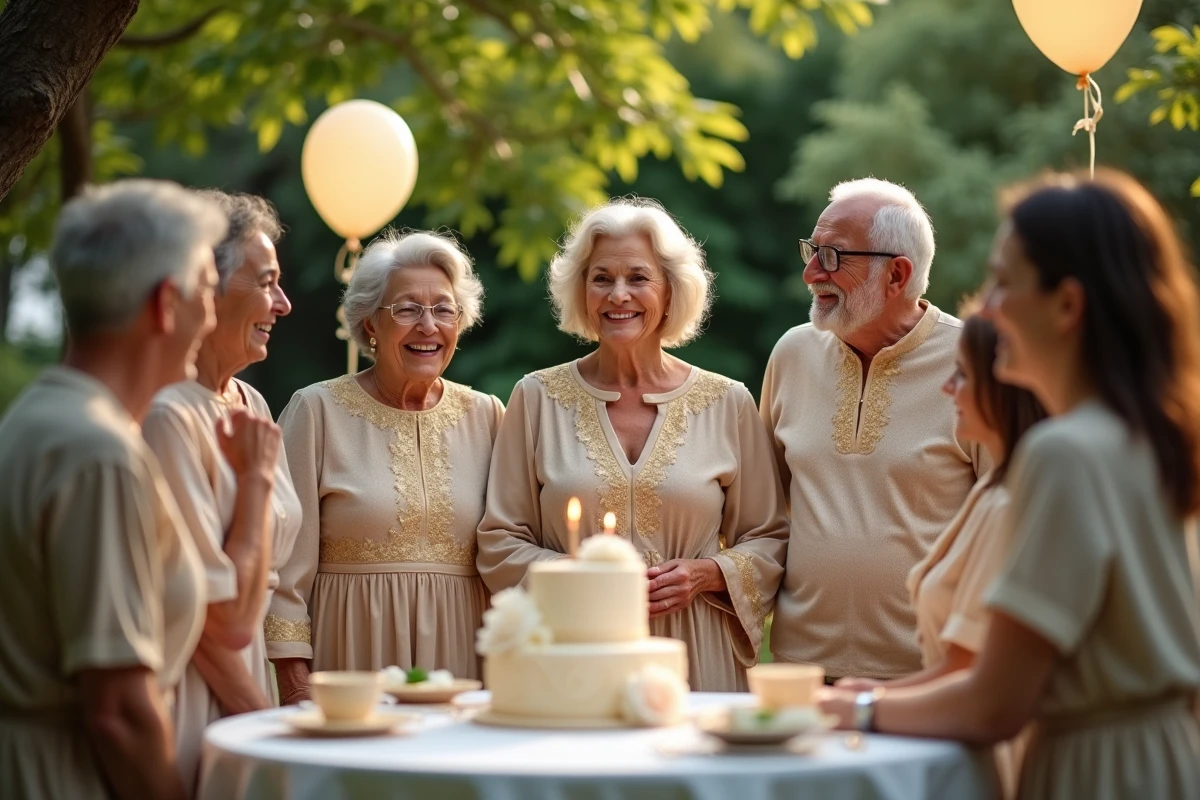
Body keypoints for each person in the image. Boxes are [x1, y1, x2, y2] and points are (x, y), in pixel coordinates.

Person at [819, 170, 1200, 800]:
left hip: (1096, 774)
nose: (986, 306)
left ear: (1068, 305)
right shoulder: (1156, 436)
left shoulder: (1063, 454)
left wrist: (845, 712)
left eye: (1002, 281)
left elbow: (992, 704)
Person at [477, 198, 789, 692]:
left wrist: (707, 574)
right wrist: (577, 578)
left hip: (695, 656)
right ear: (582, 291)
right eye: (601, 278)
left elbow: (771, 538)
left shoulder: (728, 402)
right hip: (572, 653)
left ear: (670, 291)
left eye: (638, 278)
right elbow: (498, 541)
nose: (618, 295)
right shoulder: (535, 398)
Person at [0, 180, 225, 799]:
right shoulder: (99, 454)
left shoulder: (35, 419)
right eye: (207, 291)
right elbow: (119, 714)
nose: (212, 315)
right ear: (164, 304)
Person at [762, 178, 987, 681]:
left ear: (897, 275)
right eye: (812, 251)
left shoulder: (978, 364)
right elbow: (763, 514)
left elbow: (1013, 525)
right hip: (802, 672)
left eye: (834, 257)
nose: (810, 273)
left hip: (933, 675)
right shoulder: (792, 354)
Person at [273, 230, 502, 691]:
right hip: (350, 666)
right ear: (371, 324)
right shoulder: (316, 411)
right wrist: (297, 688)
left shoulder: (490, 416)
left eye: (443, 309)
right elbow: (282, 574)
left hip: (465, 669)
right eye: (407, 308)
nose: (428, 325)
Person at [837, 310, 1045, 798]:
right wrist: (864, 692)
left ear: (1007, 386)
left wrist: (861, 704)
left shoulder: (1013, 500)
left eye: (963, 375)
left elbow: (968, 666)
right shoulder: (993, 487)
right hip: (951, 725)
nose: (947, 388)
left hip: (982, 739)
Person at [141, 191, 299, 788]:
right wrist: (259, 719)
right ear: (205, 285)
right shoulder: (165, 415)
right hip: (199, 694)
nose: (282, 304)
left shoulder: (252, 403)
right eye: (265, 282)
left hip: (249, 672)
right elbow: (207, 623)